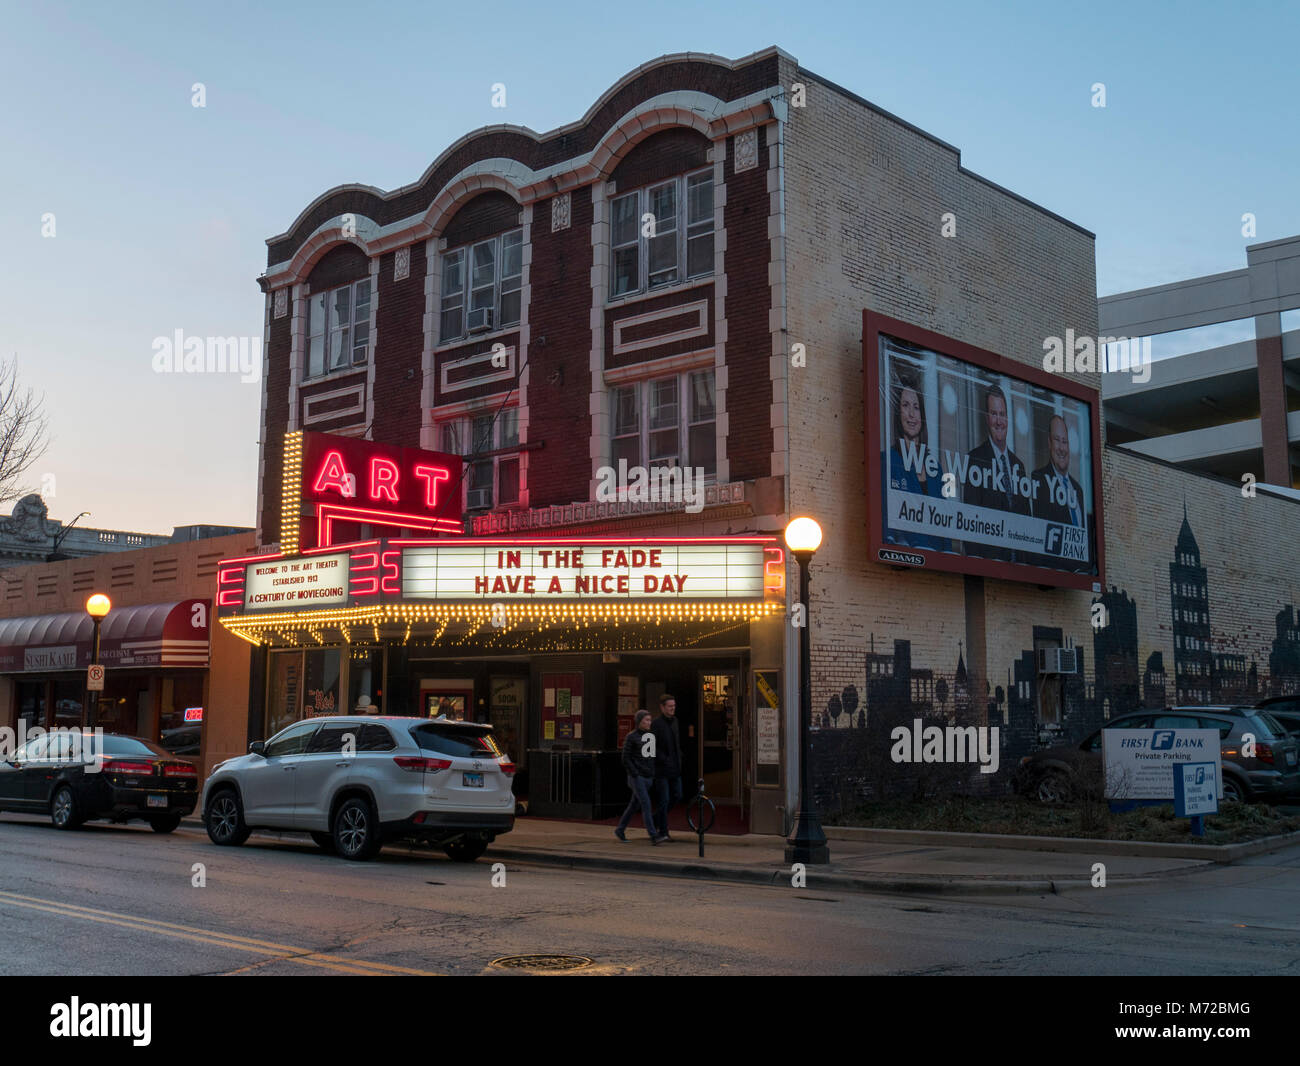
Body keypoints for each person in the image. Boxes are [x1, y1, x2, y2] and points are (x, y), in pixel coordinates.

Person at [961, 384, 1032, 561]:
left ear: (1007, 418)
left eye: (1002, 414)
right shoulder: (975, 459)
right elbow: (970, 522)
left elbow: (1028, 523)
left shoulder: (1018, 466)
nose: (999, 421)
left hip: (1019, 569)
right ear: (987, 418)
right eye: (994, 414)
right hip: (990, 565)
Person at [882, 373, 951, 551]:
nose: (912, 414)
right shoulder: (887, 461)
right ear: (898, 412)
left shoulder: (936, 469)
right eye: (905, 405)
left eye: (916, 407)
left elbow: (946, 525)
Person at [1031, 414, 1089, 570]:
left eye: (1065, 442)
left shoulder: (1078, 490)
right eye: (1057, 440)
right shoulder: (1039, 479)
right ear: (1049, 443)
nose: (1062, 448)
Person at [616, 710, 666, 844]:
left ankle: (620, 829)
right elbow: (625, 758)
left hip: (648, 776)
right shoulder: (631, 736)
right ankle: (653, 835)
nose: (649, 723)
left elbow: (652, 757)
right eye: (646, 720)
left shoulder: (651, 736)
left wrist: (652, 772)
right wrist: (635, 773)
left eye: (650, 720)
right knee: (646, 804)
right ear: (639, 722)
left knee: (634, 805)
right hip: (637, 778)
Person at [650, 693, 682, 840]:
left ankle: (655, 820)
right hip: (661, 768)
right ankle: (663, 831)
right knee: (664, 799)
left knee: (677, 795)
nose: (672, 709)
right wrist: (664, 758)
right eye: (669, 706)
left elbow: (676, 742)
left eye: (674, 706)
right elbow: (652, 746)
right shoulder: (656, 724)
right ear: (662, 707)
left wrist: (679, 757)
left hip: (675, 767)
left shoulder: (675, 721)